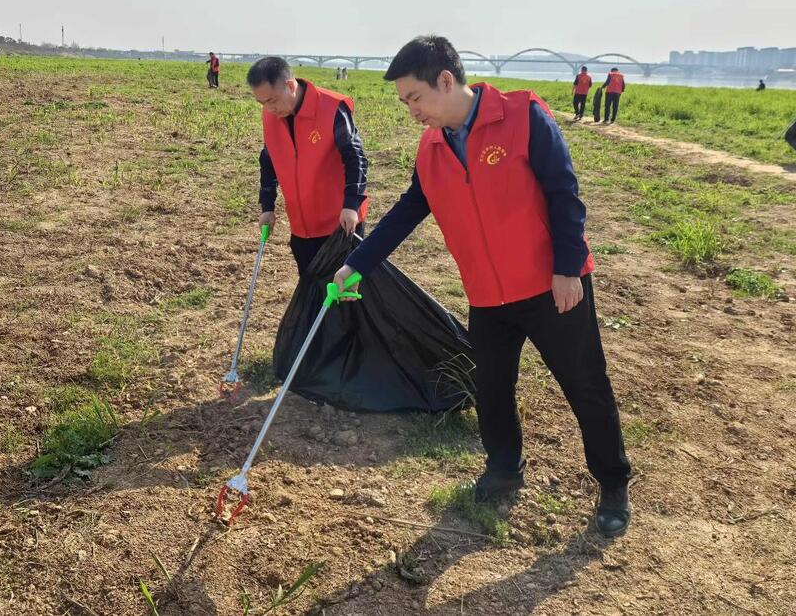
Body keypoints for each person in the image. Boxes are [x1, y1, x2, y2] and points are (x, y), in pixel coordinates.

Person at [332, 36, 632, 538]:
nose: (411, 112)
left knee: (584, 384)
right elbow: (409, 210)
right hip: (487, 295)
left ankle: (613, 482)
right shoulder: (431, 147)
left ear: (445, 81)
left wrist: (568, 267)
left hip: (551, 287)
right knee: (492, 388)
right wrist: (357, 263)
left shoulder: (522, 116)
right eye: (405, 102)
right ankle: (503, 469)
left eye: (415, 98)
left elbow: (564, 192)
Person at [249, 56, 369, 273]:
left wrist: (351, 204)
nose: (269, 108)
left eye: (273, 101)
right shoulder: (270, 116)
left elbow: (355, 157)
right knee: (312, 292)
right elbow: (269, 160)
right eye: (262, 103)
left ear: (290, 85)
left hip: (340, 224)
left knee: (345, 297)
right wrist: (267, 207)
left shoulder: (331, 108)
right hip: (302, 229)